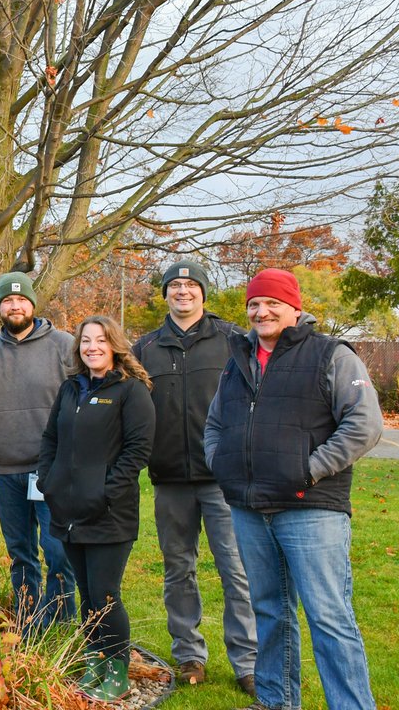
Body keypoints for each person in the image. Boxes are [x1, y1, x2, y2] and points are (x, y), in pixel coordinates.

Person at [204, 268, 381, 710]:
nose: (261, 311)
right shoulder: (237, 360)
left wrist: (309, 470)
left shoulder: (331, 355)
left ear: (295, 309)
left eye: (272, 304)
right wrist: (222, 466)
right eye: (254, 305)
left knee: (329, 616)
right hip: (248, 508)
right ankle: (276, 701)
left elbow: (365, 424)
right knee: (269, 611)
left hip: (310, 508)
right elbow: (214, 424)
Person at [132, 260, 258, 697]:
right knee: (178, 570)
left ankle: (247, 661)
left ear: (203, 293)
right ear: (164, 294)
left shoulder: (232, 340)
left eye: (191, 285)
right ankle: (189, 653)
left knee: (235, 571)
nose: (182, 291)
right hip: (169, 479)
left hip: (222, 479)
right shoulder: (145, 347)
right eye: (175, 285)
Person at [37, 315, 154, 702]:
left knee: (105, 595)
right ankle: (94, 663)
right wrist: (48, 481)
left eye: (100, 341)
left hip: (109, 514)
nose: (92, 347)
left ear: (114, 346)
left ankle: (117, 671)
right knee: (85, 595)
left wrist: (104, 493)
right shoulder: (71, 389)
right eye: (86, 341)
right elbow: (51, 438)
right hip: (67, 511)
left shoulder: (131, 391)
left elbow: (138, 451)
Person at [0, 272, 76, 628]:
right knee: (20, 551)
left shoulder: (64, 345)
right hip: (5, 468)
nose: (15, 305)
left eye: (21, 299)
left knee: (56, 551)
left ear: (32, 304)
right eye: (7, 301)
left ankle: (60, 622)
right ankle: (28, 620)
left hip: (50, 469)